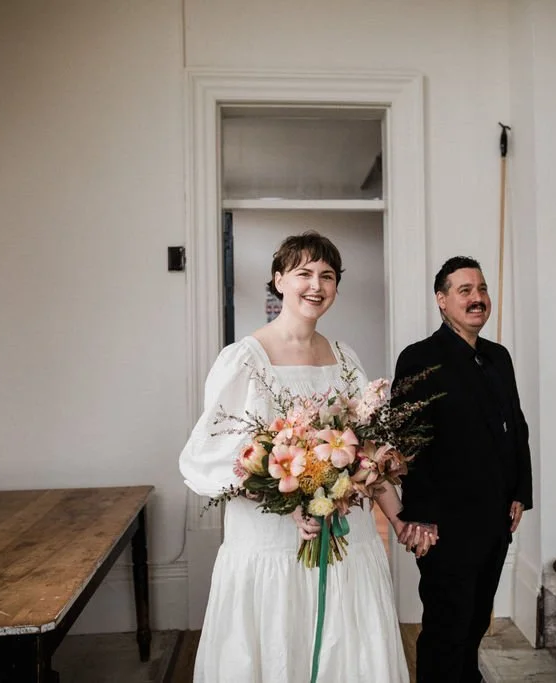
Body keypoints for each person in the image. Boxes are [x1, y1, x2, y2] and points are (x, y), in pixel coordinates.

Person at [180, 231, 412, 683]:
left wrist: (400, 519)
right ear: (279, 279)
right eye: (304, 273)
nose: (316, 285)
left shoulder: (345, 358)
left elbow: (365, 452)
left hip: (346, 540)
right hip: (271, 545)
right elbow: (209, 456)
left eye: (327, 276)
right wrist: (287, 504)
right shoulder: (244, 360)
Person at [393, 256, 533, 683]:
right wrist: (418, 516)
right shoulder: (419, 358)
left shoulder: (498, 357)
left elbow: (517, 427)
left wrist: (520, 492)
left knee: (475, 621)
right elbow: (407, 443)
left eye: (482, 290)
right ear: (442, 300)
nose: (477, 299)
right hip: (445, 523)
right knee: (446, 626)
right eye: (465, 291)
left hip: (495, 517)